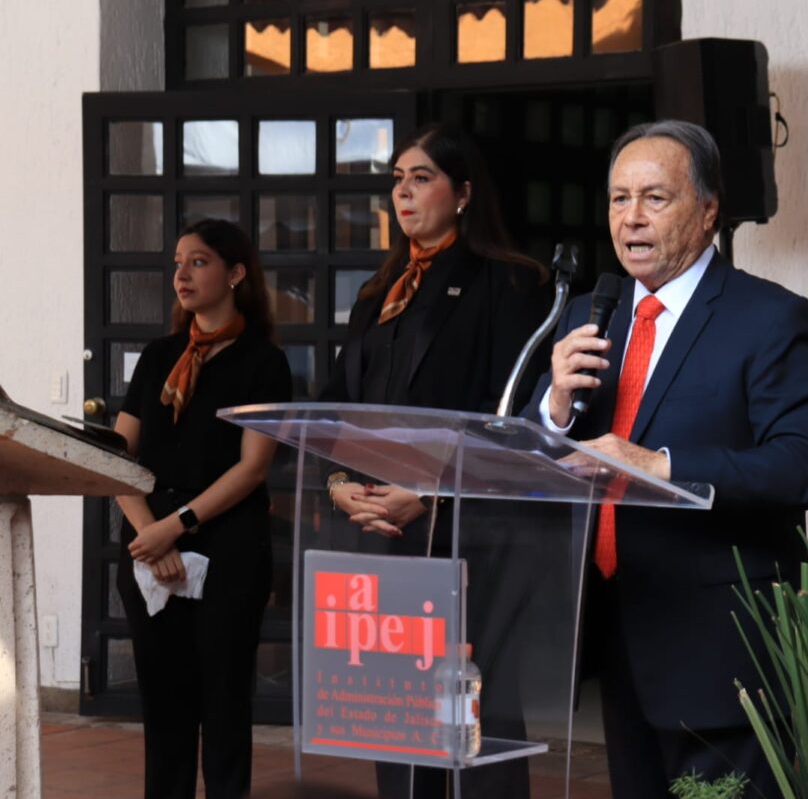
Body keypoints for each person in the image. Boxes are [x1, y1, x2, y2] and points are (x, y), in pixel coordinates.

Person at [527, 120, 808, 796]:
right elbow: (529, 450)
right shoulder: (590, 312)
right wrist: (553, 405)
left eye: (654, 198)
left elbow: (804, 464)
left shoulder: (769, 318)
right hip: (614, 637)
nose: (630, 218)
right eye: (617, 199)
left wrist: (657, 463)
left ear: (707, 211)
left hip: (721, 654)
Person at [318, 123, 549, 798]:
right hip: (380, 538)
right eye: (397, 179)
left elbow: (511, 420)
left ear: (465, 191)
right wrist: (338, 482)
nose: (403, 192)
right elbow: (337, 405)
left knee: (474, 715)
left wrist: (433, 492)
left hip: (466, 536)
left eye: (421, 177)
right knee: (395, 714)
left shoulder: (506, 283)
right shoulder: (377, 292)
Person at [114, 218, 293, 798]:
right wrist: (150, 535)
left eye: (198, 262)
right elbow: (118, 457)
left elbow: (252, 468)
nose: (181, 274)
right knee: (164, 716)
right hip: (149, 550)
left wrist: (176, 527)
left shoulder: (264, 363)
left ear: (235, 273)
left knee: (223, 710)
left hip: (228, 549)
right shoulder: (158, 354)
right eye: (177, 262)